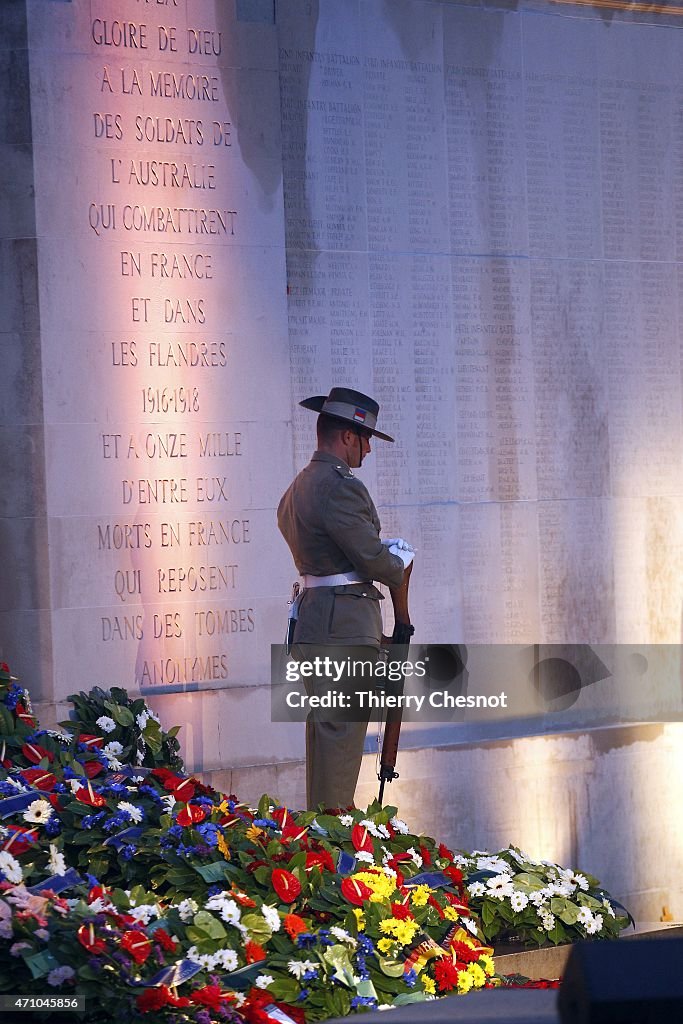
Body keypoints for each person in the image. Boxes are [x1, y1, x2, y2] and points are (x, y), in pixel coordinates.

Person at [277, 387, 414, 811]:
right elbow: (374, 561)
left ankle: (322, 839)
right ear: (346, 436)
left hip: (316, 619)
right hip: (343, 627)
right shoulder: (340, 487)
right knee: (339, 742)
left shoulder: (298, 486)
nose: (369, 448)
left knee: (326, 736)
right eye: (365, 437)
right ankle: (332, 851)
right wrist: (400, 561)